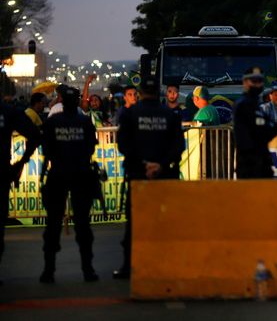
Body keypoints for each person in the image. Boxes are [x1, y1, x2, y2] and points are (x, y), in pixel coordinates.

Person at [113, 77, 184, 279]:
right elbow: (178, 146)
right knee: (166, 221)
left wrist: (144, 164)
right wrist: (160, 164)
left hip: (137, 174)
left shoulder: (130, 114)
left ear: (141, 92)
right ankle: (169, 263)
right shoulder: (170, 114)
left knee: (134, 222)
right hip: (165, 175)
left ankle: (128, 266)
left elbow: (124, 145)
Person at [39, 86, 99, 283]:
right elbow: (91, 146)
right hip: (81, 174)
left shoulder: (53, 121)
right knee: (83, 224)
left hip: (58, 174)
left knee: (53, 224)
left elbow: (46, 148)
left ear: (62, 102)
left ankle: (49, 271)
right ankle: (88, 270)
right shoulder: (84, 122)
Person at [1, 99, 41, 284]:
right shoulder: (8, 110)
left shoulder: (8, 111)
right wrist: (21, 163)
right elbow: (35, 135)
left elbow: (35, 135)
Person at [233, 67, 277, 179]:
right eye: (254, 81)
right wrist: (265, 130)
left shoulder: (257, 105)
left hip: (262, 162)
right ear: (245, 82)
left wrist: (265, 129)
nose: (258, 85)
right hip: (249, 164)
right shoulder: (243, 104)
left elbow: (273, 129)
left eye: (260, 81)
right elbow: (257, 132)